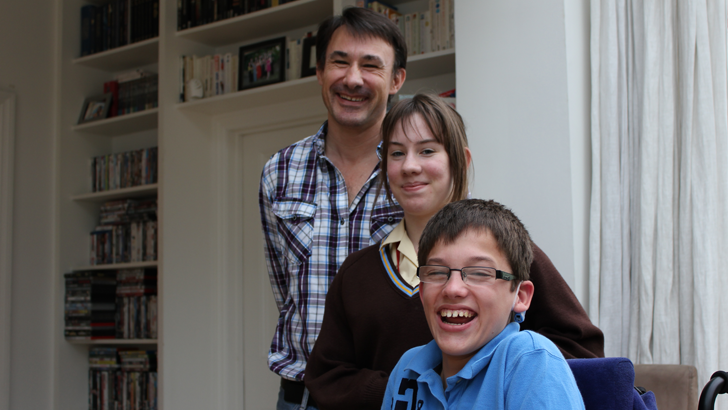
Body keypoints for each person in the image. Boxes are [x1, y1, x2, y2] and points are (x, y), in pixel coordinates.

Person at [304, 94, 602, 410]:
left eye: (427, 150)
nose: (410, 166)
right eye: (396, 153)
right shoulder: (357, 273)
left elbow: (583, 350)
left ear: (461, 160)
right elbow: (326, 375)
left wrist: (482, 383)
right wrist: (411, 390)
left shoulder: (510, 252)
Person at [258, 7, 407, 410]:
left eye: (371, 65)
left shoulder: (417, 169)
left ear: (397, 80)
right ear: (320, 73)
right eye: (339, 62)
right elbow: (285, 290)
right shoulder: (279, 172)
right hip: (300, 397)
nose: (352, 78)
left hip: (394, 394)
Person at [382, 199, 585, 410]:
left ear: (521, 296)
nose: (452, 289)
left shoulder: (529, 358)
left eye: (480, 273)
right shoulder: (406, 368)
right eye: (436, 273)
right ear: (422, 291)